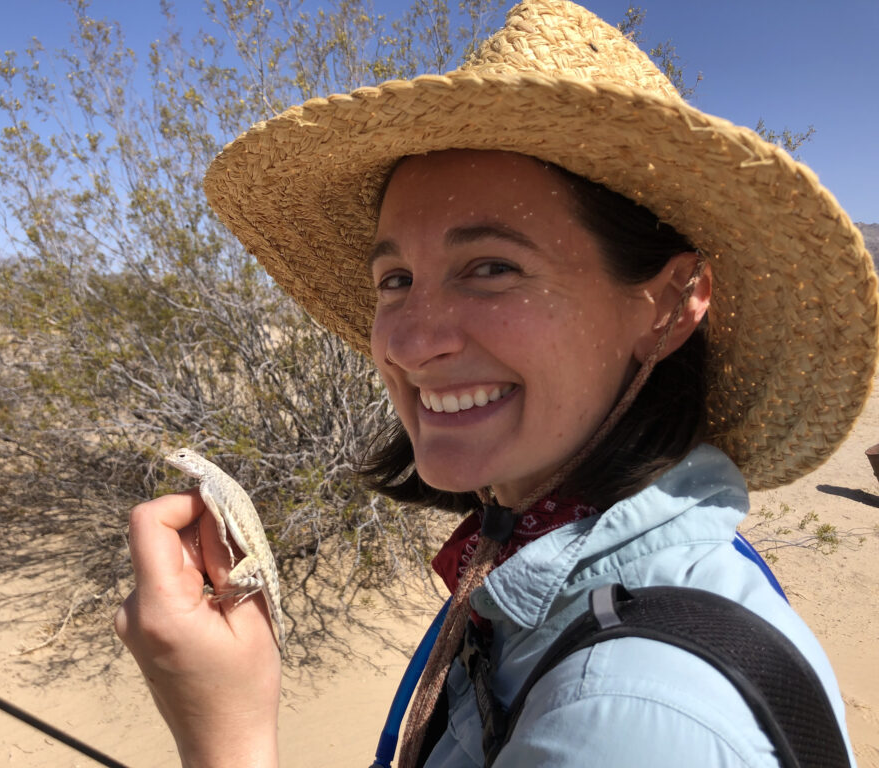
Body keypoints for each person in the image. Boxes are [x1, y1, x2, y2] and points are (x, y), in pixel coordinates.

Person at [114, 1, 879, 766]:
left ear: (673, 304)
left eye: (491, 268)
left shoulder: (627, 719)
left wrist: (226, 734)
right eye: (396, 278)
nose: (409, 342)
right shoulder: (547, 568)